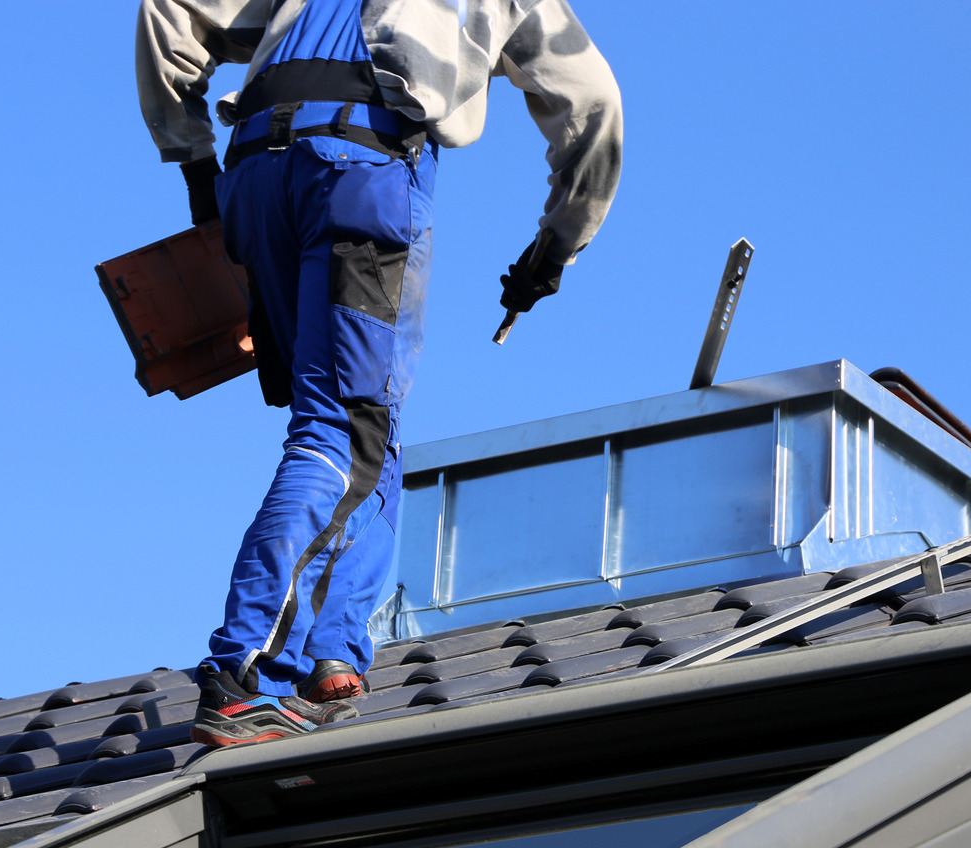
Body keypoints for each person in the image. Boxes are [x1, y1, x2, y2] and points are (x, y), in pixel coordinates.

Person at [135, 0, 623, 747]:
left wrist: (197, 164)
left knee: (369, 421)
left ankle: (331, 650)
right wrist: (555, 247)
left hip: (256, 176)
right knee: (342, 430)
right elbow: (594, 107)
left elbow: (170, 9)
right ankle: (247, 674)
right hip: (359, 165)